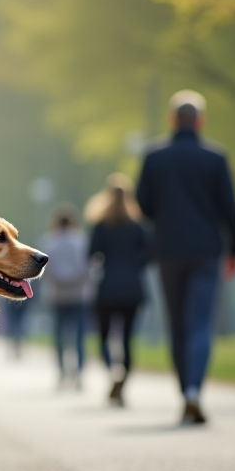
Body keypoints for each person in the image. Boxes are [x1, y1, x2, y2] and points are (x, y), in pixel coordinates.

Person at [137, 90, 235, 425]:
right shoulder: (216, 158)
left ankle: (185, 393)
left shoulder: (155, 157)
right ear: (200, 120)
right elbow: (230, 209)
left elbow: (144, 205)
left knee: (178, 325)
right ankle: (195, 390)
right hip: (206, 251)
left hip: (168, 251)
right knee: (200, 324)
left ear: (171, 119)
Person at [85, 174, 149, 407]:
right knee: (128, 339)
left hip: (108, 288)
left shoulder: (101, 226)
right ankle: (123, 380)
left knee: (104, 337)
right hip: (133, 288)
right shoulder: (137, 226)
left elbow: (91, 254)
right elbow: (148, 255)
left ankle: (114, 372)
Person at [40, 203, 90, 389]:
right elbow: (88, 268)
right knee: (79, 336)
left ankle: (61, 372)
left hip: (58, 294)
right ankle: (79, 373)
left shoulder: (49, 242)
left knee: (59, 336)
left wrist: (59, 280)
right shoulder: (81, 241)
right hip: (78, 294)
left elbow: (46, 269)